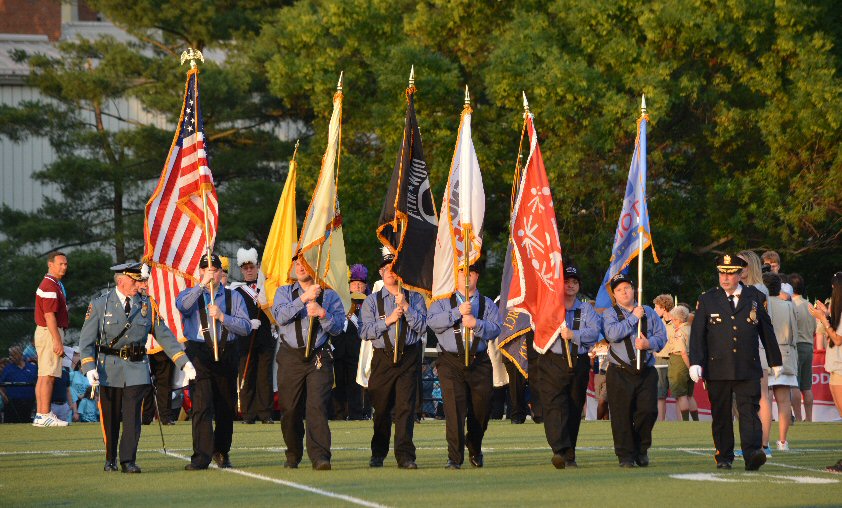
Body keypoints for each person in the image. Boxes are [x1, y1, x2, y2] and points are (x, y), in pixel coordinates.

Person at [80, 262, 196, 473]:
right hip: (109, 368)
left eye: (140, 280)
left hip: (137, 367)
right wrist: (88, 368)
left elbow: (165, 336)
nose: (139, 284)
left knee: (133, 416)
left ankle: (128, 460)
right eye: (135, 280)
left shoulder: (147, 305)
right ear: (121, 280)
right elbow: (86, 341)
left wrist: (184, 362)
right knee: (111, 416)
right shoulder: (100, 305)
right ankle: (110, 457)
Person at [689, 254, 782, 471]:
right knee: (721, 413)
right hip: (717, 366)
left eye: (730, 273)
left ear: (741, 274)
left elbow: (766, 330)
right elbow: (698, 334)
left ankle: (752, 454)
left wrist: (774, 360)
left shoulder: (755, 296)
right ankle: (724, 456)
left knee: (749, 412)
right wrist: (696, 361)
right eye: (722, 273)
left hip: (746, 365)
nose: (725, 278)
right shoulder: (708, 299)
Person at [272, 251, 345, 470]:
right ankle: (293, 453)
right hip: (290, 356)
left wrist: (323, 314)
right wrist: (304, 298)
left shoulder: (330, 296)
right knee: (290, 409)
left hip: (318, 357)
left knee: (317, 407)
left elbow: (339, 328)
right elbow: (281, 316)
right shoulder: (284, 292)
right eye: (296, 262)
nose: (300, 266)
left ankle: (320, 456)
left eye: (304, 262)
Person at [176, 254, 250, 471]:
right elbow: (183, 306)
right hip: (199, 353)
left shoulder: (233, 297)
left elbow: (245, 327)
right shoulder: (191, 294)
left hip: (227, 352)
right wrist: (201, 285)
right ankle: (201, 456)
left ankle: (221, 450)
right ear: (200, 272)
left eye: (215, 270)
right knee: (201, 406)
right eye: (206, 269)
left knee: (226, 407)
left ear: (221, 273)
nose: (212, 273)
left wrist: (223, 318)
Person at [427, 260, 501, 469]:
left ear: (477, 276)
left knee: (482, 409)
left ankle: (474, 445)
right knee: (454, 410)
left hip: (479, 361)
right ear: (455, 275)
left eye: (471, 272)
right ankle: (454, 457)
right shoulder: (442, 301)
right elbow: (432, 322)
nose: (466, 276)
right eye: (462, 272)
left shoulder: (487, 303)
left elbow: (496, 328)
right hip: (451, 362)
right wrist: (457, 312)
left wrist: (477, 324)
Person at [359, 250, 427, 469]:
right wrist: (388, 321)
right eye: (386, 268)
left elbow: (423, 327)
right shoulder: (372, 301)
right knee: (381, 408)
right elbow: (365, 331)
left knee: (405, 408)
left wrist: (406, 308)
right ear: (381, 272)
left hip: (408, 356)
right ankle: (378, 452)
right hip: (383, 358)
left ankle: (405, 455)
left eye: (394, 267)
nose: (391, 272)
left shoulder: (415, 297)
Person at [535, 266, 601, 468]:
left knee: (574, 407)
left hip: (578, 362)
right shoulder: (550, 307)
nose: (570, 285)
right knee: (554, 405)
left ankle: (569, 453)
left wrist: (575, 335)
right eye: (566, 281)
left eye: (574, 282)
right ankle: (560, 449)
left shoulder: (586, 309)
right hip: (553, 360)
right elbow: (538, 328)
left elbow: (595, 332)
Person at [602, 273, 667, 468]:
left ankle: (641, 448)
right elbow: (612, 335)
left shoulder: (648, 311)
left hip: (645, 370)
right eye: (619, 290)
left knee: (648, 411)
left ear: (633, 289)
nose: (624, 292)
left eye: (627, 288)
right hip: (620, 371)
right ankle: (625, 455)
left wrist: (649, 343)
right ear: (614, 294)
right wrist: (632, 318)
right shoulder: (610, 313)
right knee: (621, 415)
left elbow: (661, 337)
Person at [232, 247, 275, 425]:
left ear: (258, 267)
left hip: (265, 336)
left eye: (252, 267)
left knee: (265, 377)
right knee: (246, 374)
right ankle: (248, 414)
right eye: (245, 268)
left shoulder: (266, 287)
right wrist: (248, 323)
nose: (249, 270)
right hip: (245, 339)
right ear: (242, 270)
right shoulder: (236, 290)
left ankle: (265, 413)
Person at [738, 250, 774, 457]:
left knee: (761, 396)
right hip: (746, 347)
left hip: (756, 346)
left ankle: (764, 443)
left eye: (741, 265)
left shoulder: (757, 289)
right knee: (748, 397)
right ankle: (754, 442)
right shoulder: (748, 288)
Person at [32, 251, 69, 427]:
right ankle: (45, 413)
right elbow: (49, 315)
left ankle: (40, 414)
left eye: (65, 264)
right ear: (50, 264)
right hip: (49, 332)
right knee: (48, 375)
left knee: (43, 375)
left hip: (46, 332)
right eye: (60, 264)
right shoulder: (50, 285)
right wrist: (57, 340)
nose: (64, 267)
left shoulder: (53, 284)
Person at [762, 272, 797, 451]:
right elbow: (794, 334)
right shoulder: (788, 306)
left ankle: (764, 443)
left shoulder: (763, 305)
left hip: (765, 354)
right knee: (784, 400)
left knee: (765, 400)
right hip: (785, 353)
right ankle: (783, 442)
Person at [331, 264, 368, 420]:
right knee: (338, 382)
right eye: (354, 283)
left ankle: (356, 413)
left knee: (355, 383)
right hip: (338, 347)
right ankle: (338, 413)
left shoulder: (368, 302)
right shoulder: (340, 301)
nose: (357, 285)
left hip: (356, 348)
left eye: (361, 283)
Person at [809, 272, 842, 418]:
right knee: (839, 409)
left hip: (840, 366)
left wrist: (823, 317)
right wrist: (826, 316)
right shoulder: (837, 311)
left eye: (834, 288)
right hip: (835, 365)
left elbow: (838, 339)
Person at [789, 273, 816, 422]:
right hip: (809, 346)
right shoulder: (809, 305)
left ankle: (798, 418)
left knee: (795, 384)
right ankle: (809, 418)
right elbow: (814, 329)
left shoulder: (792, 305)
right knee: (807, 386)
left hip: (797, 346)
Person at [662, 305, 695, 420]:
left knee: (682, 395)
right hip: (691, 360)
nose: (672, 321)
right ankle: (696, 421)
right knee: (690, 395)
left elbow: (682, 352)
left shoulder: (679, 332)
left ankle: (685, 421)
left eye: (673, 319)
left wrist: (688, 367)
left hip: (680, 362)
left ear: (678, 319)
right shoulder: (691, 329)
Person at [0, 345, 38, 423]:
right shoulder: (7, 369)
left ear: (20, 354)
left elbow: (38, 384)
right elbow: (1, 385)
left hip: (29, 403)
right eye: (10, 355)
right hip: (12, 404)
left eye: (13, 354)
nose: (10, 357)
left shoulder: (32, 368)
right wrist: (3, 395)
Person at [652, 294, 674, 421]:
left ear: (663, 307)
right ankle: (661, 422)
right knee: (660, 394)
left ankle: (683, 423)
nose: (655, 310)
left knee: (679, 394)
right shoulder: (657, 323)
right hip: (659, 360)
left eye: (656, 307)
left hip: (674, 359)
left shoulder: (677, 321)